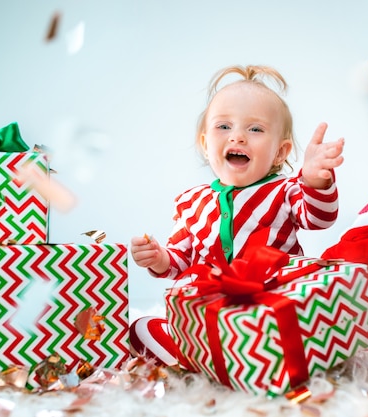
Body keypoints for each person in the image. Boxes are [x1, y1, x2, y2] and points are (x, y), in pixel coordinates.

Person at [129, 64, 345, 365]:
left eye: (255, 129)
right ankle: (209, 360)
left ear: (280, 152)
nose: (238, 137)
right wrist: (158, 257)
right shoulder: (191, 202)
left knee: (301, 327)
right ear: (205, 144)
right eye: (223, 126)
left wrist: (314, 179)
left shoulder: (286, 191)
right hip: (210, 314)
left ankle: (253, 361)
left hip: (270, 308)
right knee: (142, 328)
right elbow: (180, 261)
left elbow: (319, 218)